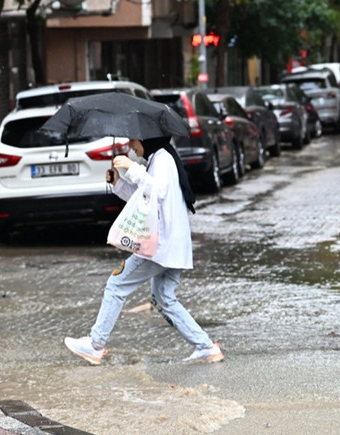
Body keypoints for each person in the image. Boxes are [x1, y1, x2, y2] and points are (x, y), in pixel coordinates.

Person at [64, 136, 223, 365]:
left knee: (116, 284)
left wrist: (132, 167)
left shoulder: (162, 159)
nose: (131, 145)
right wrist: (118, 183)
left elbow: (158, 190)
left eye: (134, 140)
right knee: (163, 298)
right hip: (172, 245)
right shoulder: (158, 159)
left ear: (147, 137)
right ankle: (206, 347)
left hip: (161, 246)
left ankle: (95, 345)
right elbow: (146, 199)